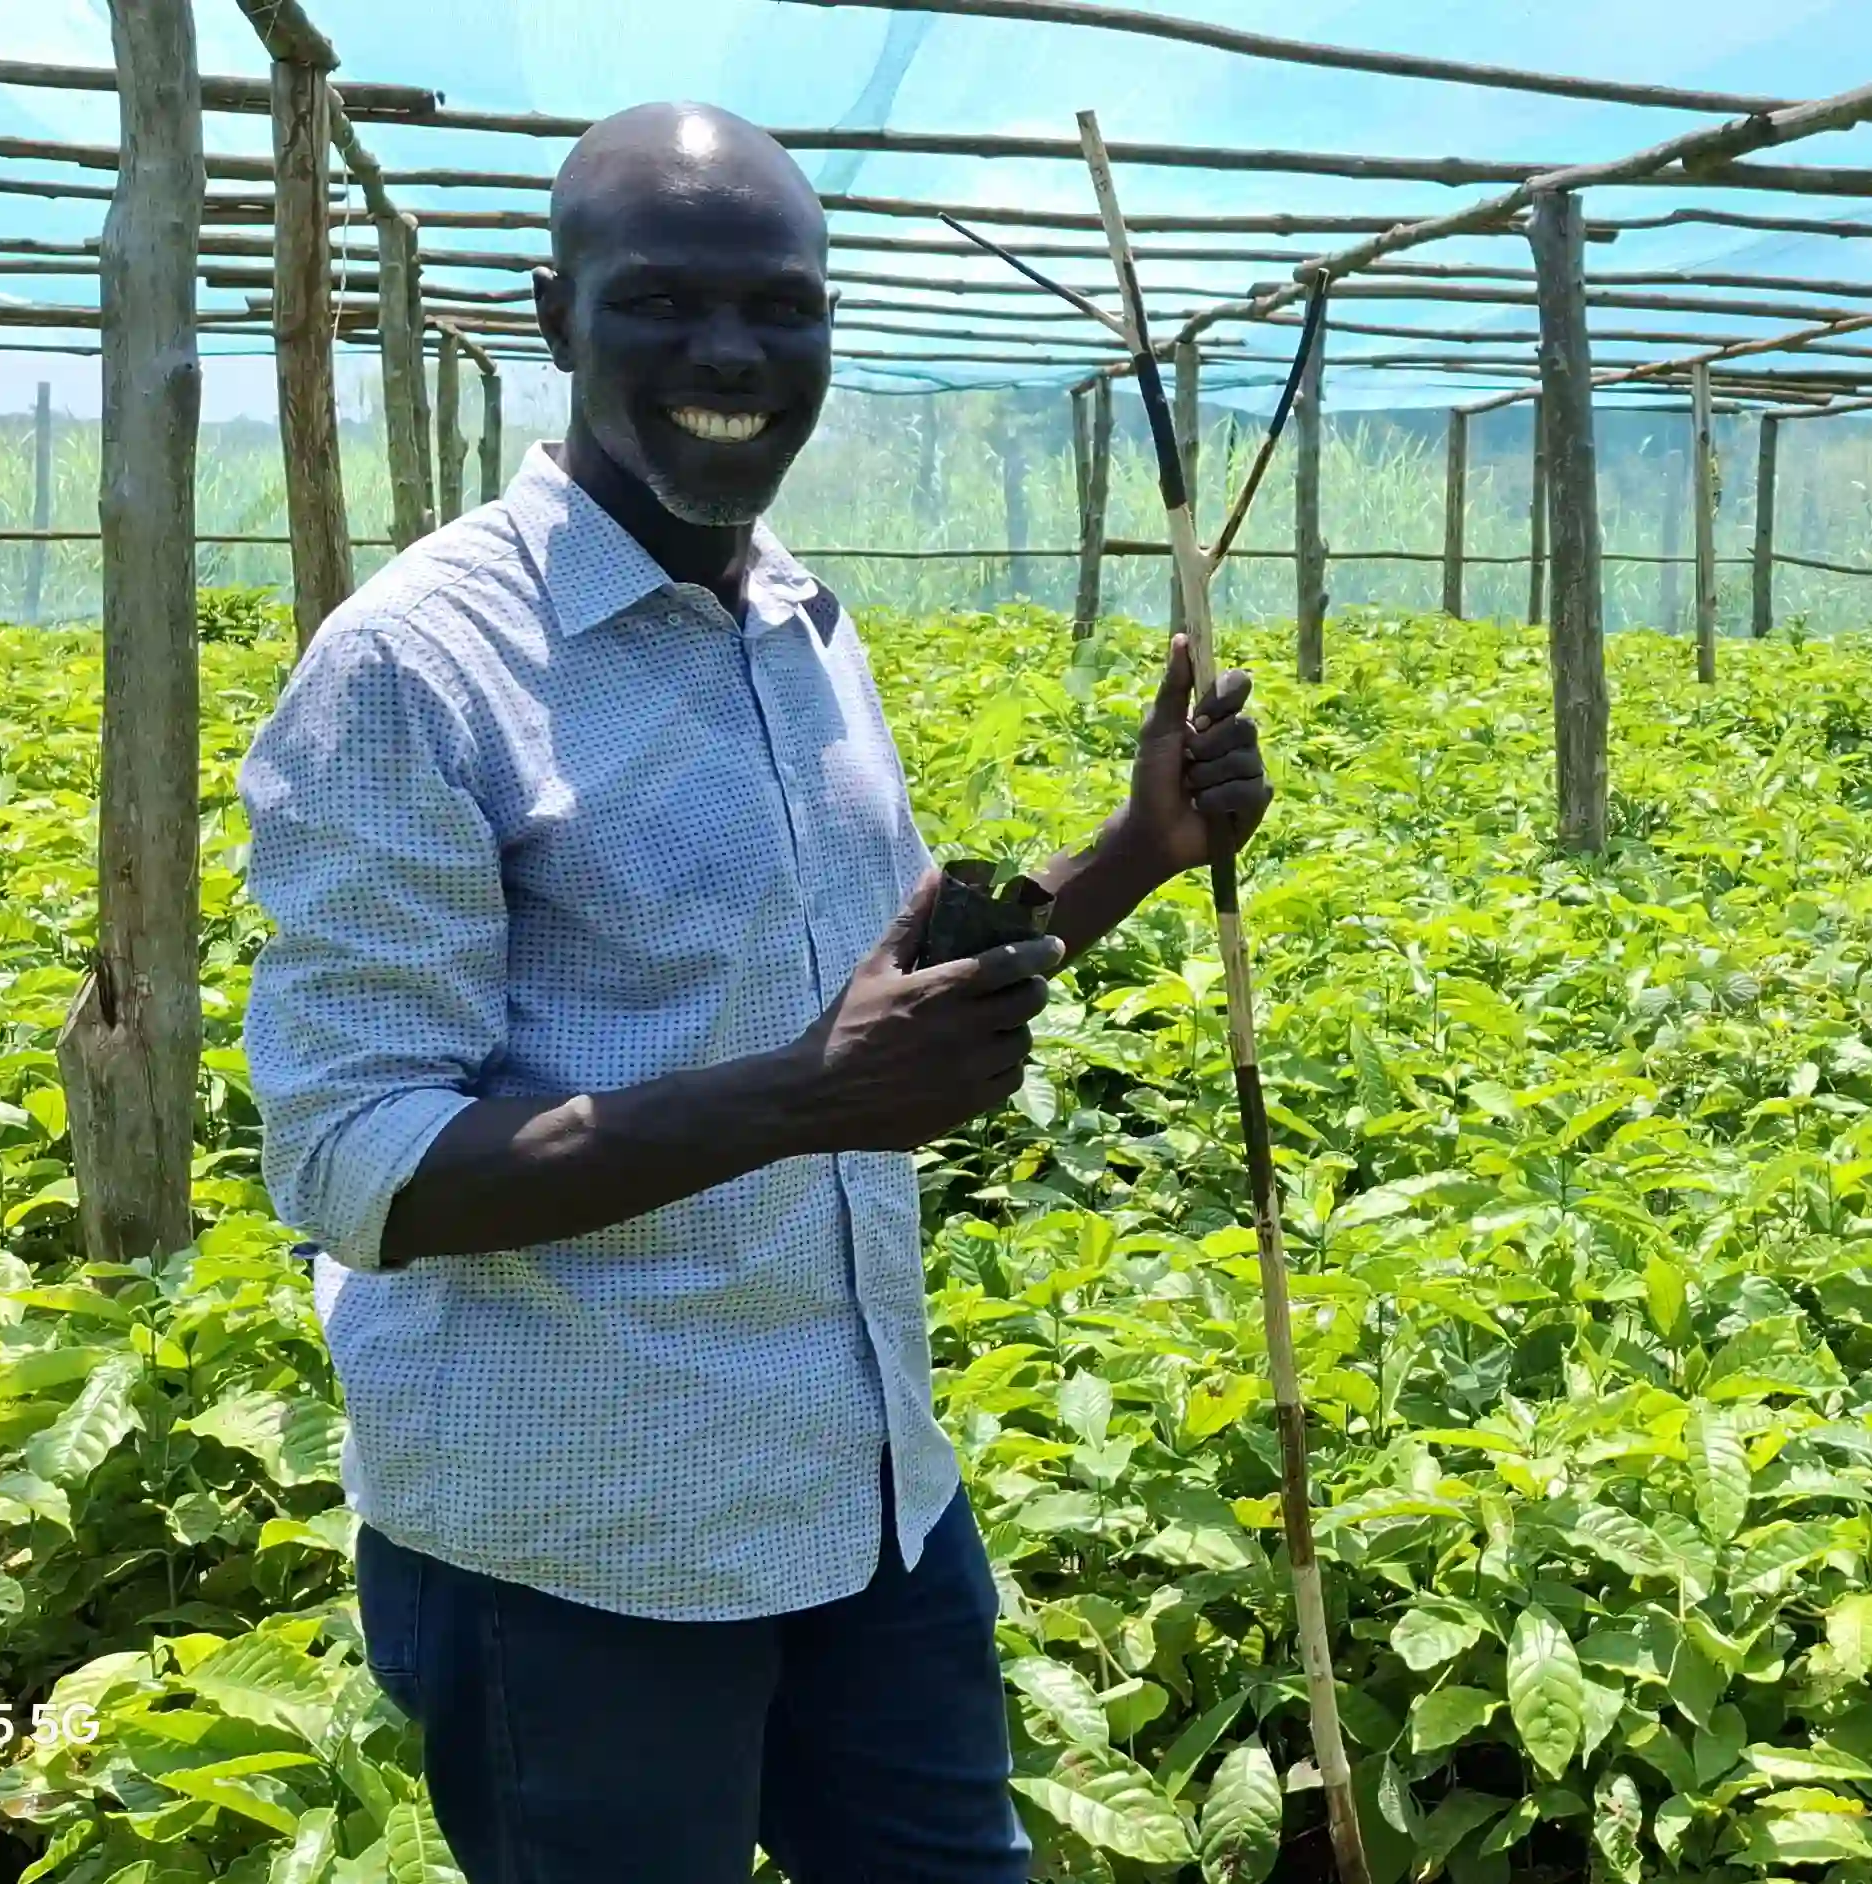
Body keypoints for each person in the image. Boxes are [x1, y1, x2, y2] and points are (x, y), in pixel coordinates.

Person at [238, 101, 1267, 1884]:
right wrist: (803, 1096)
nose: (732, 354)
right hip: (581, 1541)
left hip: (861, 1485)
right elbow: (356, 1165)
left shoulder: (794, 616)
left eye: (781, 308)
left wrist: (1133, 851)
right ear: (555, 318)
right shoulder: (416, 665)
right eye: (662, 303)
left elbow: (880, 999)